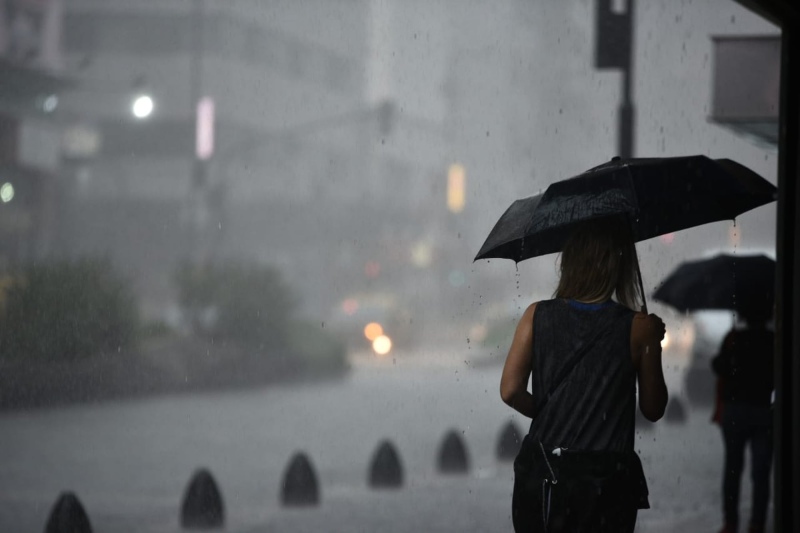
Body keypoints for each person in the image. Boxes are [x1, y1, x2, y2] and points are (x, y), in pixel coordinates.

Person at [499, 216, 668, 533]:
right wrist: (651, 344)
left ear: (570, 264)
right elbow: (653, 408)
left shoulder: (537, 315)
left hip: (545, 475)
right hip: (606, 486)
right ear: (618, 266)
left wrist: (548, 411)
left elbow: (510, 390)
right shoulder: (636, 327)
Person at [711, 310, 774, 533]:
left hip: (735, 412)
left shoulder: (734, 338)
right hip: (763, 412)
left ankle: (731, 523)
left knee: (732, 469)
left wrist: (732, 354)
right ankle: (757, 522)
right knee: (761, 471)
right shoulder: (772, 341)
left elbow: (718, 367)